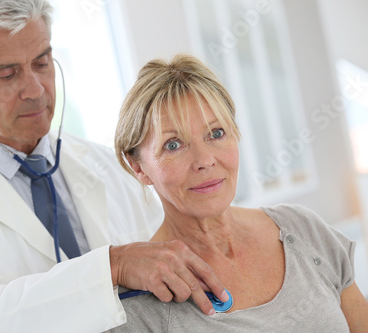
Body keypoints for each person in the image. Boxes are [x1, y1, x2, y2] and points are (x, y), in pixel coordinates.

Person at [0, 1, 229, 332]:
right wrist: (111, 266)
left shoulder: (108, 166)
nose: (34, 89)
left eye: (42, 62)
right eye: (7, 74)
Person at [109, 54, 368, 332]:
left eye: (216, 133)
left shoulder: (303, 229)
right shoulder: (137, 306)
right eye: (173, 145)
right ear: (138, 166)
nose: (204, 160)